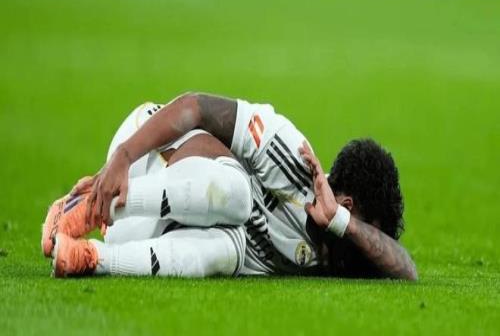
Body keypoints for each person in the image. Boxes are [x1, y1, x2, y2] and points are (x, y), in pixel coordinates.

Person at [43, 94, 417, 280]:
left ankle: (92, 257)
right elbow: (195, 107)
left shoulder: (331, 251)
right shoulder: (289, 153)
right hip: (143, 158)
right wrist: (123, 158)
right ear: (347, 203)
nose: (365, 250)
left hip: (146, 233)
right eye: (366, 228)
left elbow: (406, 269)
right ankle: (89, 205)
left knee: (230, 249)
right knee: (238, 195)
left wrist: (342, 223)